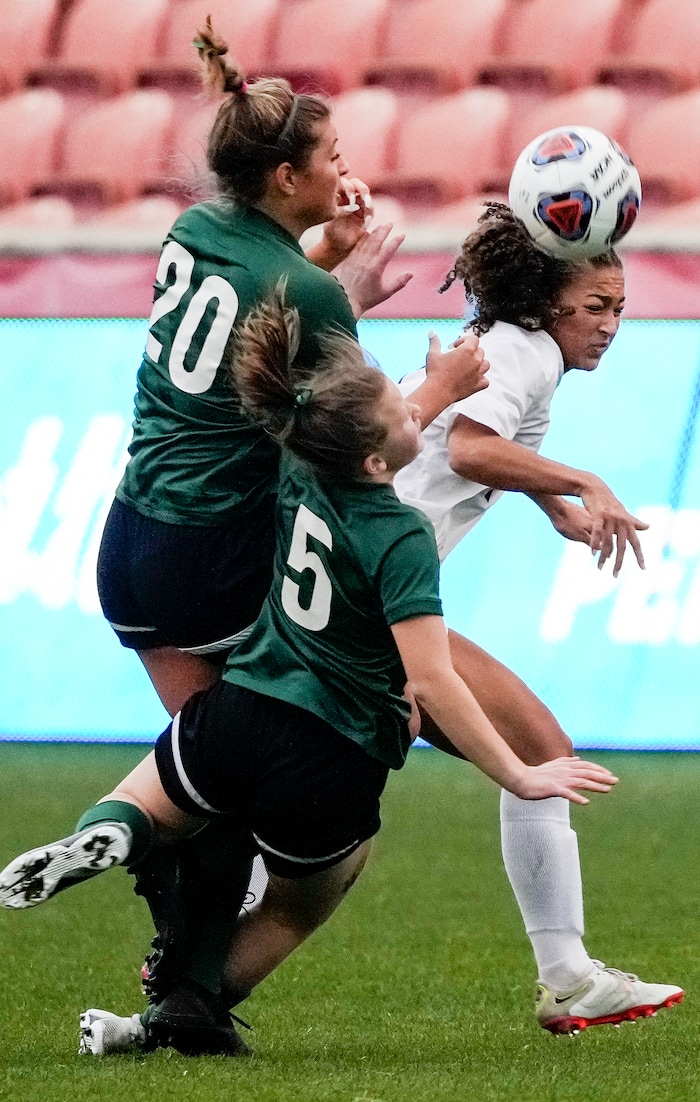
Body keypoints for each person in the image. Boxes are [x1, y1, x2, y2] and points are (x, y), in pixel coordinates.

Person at [0, 291, 620, 1059]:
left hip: (238, 708)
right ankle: (185, 1007)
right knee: (298, 906)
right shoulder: (399, 538)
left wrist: (432, 390)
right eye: (403, 414)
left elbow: (351, 424)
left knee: (149, 802)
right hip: (330, 751)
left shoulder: (298, 468)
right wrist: (520, 776)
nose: (414, 421)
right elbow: (429, 683)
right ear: (373, 458)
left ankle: (107, 833)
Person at [92, 14, 491, 1029]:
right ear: (285, 176)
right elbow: (357, 435)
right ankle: (185, 966)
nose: (347, 167)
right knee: (306, 744)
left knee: (209, 753)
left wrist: (325, 262)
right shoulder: (310, 294)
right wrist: (383, 329)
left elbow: (255, 298)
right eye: (333, 155)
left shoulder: (193, 232)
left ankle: (167, 922)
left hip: (128, 537)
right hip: (211, 543)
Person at [393, 202, 683, 1034]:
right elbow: (469, 450)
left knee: (311, 804)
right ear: (547, 302)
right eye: (596, 307)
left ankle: (569, 979)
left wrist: (555, 507)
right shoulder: (523, 353)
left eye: (621, 308)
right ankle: (568, 977)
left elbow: (478, 449)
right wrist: (584, 481)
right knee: (315, 813)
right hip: (366, 602)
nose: (611, 325)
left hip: (365, 596)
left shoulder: (526, 355)